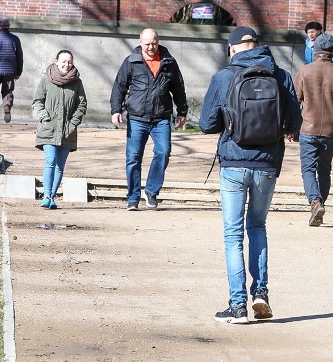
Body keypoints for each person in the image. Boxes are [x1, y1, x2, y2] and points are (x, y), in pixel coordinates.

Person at [199, 26, 302, 324]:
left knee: (233, 234)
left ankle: (238, 305)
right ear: (258, 45)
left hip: (233, 163)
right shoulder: (281, 75)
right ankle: (261, 293)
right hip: (267, 164)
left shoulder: (223, 76)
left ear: (232, 49)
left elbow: (207, 123)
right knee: (257, 226)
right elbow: (294, 122)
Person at [110, 28, 188, 211]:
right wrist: (116, 110)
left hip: (161, 118)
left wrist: (182, 111)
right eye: (147, 44)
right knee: (133, 158)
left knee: (163, 152)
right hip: (137, 118)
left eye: (154, 42)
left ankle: (151, 192)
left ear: (158, 41)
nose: (151, 47)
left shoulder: (169, 62)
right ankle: (133, 198)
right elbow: (119, 86)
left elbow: (178, 88)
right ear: (140, 42)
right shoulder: (131, 61)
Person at [292, 32, 333, 227]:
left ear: (315, 50)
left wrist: (291, 127)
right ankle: (320, 204)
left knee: (308, 168)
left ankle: (315, 202)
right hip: (331, 131)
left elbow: (295, 101)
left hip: (308, 128)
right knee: (324, 170)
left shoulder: (304, 71)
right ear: (331, 51)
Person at [32, 50, 87, 209]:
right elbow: (37, 101)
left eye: (69, 62)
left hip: (67, 132)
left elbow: (81, 105)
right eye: (63, 61)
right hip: (48, 129)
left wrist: (72, 124)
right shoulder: (46, 80)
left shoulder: (77, 83)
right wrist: (44, 118)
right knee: (50, 161)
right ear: (56, 61)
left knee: (60, 166)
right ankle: (46, 195)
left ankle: (52, 197)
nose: (66, 64)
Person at [0, 15, 24, 123]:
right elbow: (19, 57)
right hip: (10, 71)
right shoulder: (15, 39)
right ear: (9, 26)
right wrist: (18, 72)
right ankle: (7, 106)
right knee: (8, 91)